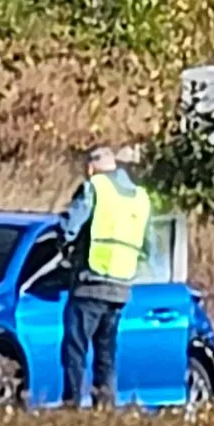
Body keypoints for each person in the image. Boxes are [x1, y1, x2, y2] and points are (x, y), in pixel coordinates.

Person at [54, 143, 151, 408]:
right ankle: (104, 405)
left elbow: (69, 228)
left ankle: (71, 405)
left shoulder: (94, 188)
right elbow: (149, 246)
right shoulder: (140, 197)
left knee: (75, 349)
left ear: (91, 167)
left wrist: (63, 249)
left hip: (90, 283)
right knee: (106, 353)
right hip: (121, 288)